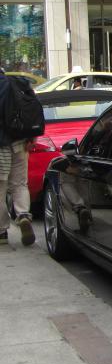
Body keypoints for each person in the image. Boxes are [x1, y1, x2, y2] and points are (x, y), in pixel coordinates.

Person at [0, 68, 35, 246]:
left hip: (1, 147)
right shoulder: (16, 83)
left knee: (0, 188)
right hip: (20, 142)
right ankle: (23, 215)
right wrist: (31, 136)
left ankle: (1, 232)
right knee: (20, 184)